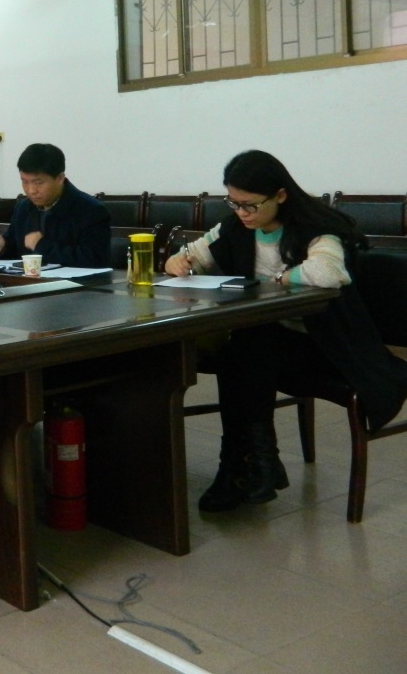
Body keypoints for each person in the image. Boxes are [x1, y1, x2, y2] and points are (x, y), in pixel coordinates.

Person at [164, 149, 407, 512]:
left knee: (243, 349)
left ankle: (244, 466)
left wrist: (281, 277)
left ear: (280, 195)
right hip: (273, 343)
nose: (242, 213)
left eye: (250, 205)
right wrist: (179, 261)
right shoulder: (236, 226)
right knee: (244, 348)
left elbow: (327, 273)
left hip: (330, 345)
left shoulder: (317, 230)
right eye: (234, 203)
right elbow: (191, 255)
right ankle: (253, 464)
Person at [0, 143, 110, 267]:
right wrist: (1, 247)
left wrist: (42, 246)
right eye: (24, 182)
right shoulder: (23, 207)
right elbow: (16, 250)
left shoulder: (91, 210)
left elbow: (94, 259)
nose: (31, 190)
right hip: (26, 280)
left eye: (38, 183)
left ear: (60, 178)